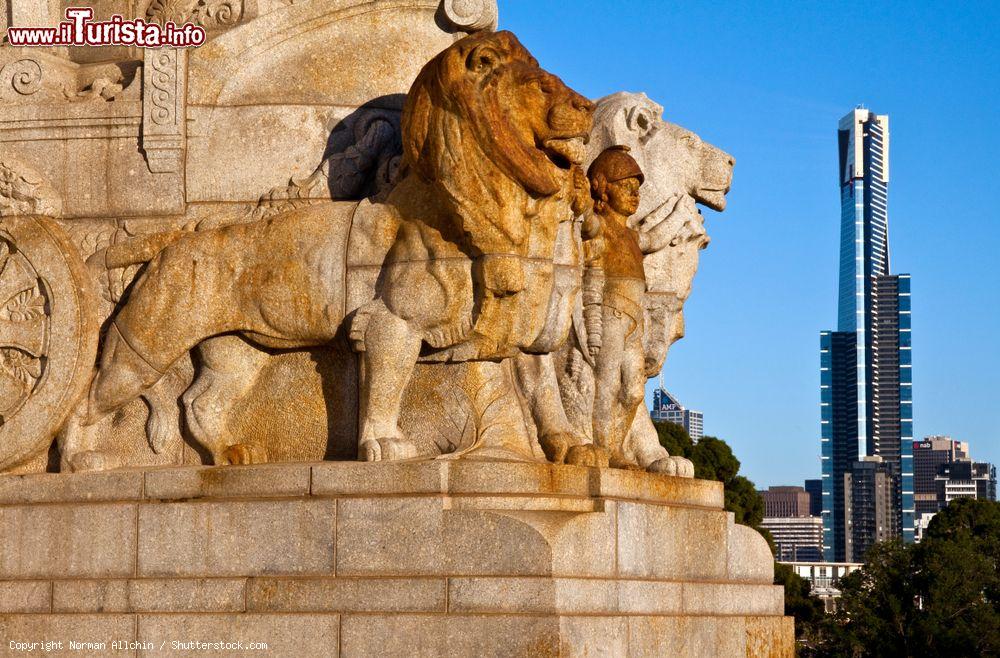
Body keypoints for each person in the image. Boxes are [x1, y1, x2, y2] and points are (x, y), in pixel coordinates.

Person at [582, 146, 648, 465]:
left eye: (637, 189)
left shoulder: (633, 235)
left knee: (635, 389)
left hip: (635, 314)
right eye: (626, 186)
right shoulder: (596, 225)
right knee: (605, 382)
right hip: (611, 311)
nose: (634, 194)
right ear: (603, 187)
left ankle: (616, 443)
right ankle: (602, 447)